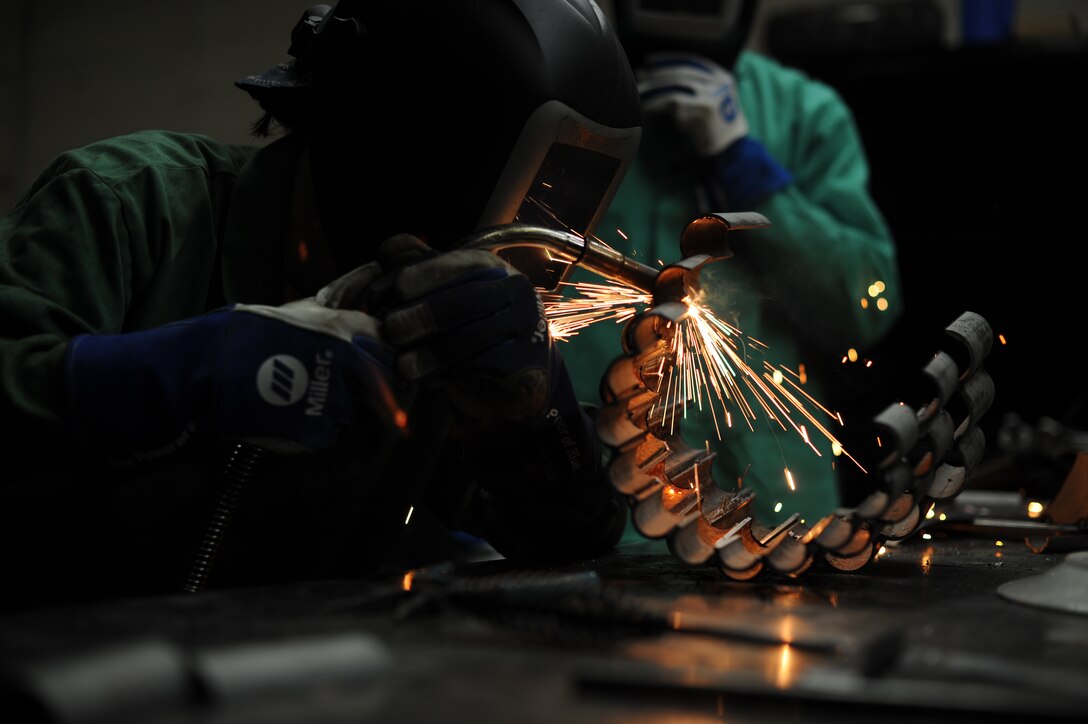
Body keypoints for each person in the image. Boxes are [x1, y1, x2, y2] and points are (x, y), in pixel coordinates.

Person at [0, 0, 641, 608]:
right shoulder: (128, 205)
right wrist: (178, 373)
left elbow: (568, 546)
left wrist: (537, 420)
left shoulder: (426, 322)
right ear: (399, 145)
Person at [562, 0, 904, 532]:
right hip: (599, 512)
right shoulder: (561, 91)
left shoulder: (803, 112)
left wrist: (745, 165)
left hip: (776, 518)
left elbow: (866, 306)